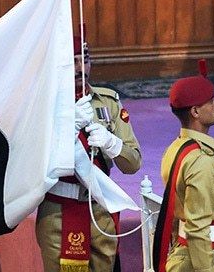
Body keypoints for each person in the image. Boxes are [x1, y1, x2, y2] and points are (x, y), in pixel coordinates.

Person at [35, 34, 142, 272]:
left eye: (84, 59)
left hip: (99, 207)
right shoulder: (43, 104)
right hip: (59, 211)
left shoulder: (108, 101)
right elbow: (32, 162)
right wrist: (67, 129)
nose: (80, 68)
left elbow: (133, 164)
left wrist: (112, 144)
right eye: (72, 61)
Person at [156, 70, 214, 272]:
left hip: (188, 251)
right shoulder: (202, 160)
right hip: (207, 257)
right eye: (211, 102)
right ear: (195, 112)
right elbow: (198, 226)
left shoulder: (177, 147)